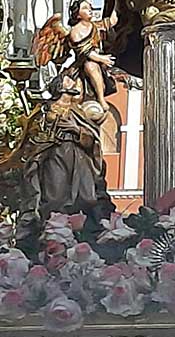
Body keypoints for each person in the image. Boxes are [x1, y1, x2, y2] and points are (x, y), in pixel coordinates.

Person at [17, 74, 113, 238]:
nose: (74, 83)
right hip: (55, 156)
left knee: (86, 198)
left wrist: (75, 130)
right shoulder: (46, 109)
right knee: (55, 197)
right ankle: (50, 231)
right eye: (68, 81)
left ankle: (82, 231)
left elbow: (92, 138)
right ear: (60, 87)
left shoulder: (78, 112)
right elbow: (34, 133)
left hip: (80, 159)